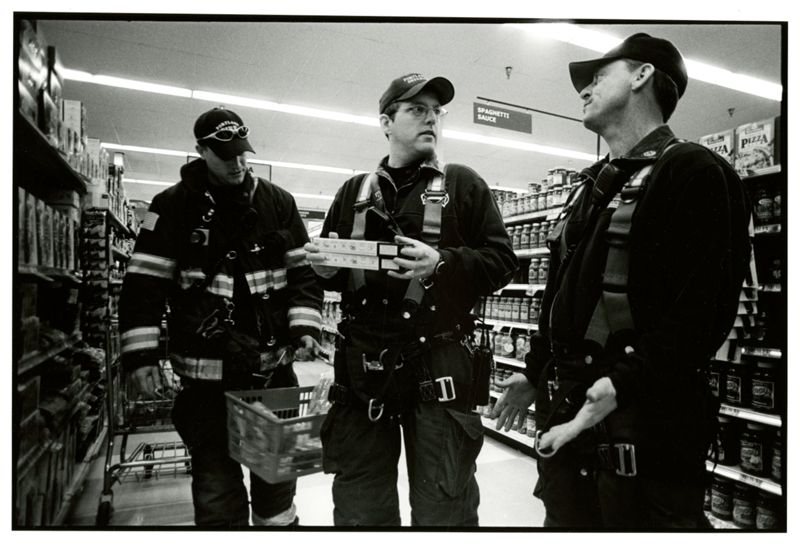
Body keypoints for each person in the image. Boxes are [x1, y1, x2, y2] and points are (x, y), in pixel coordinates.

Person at [492, 33, 751, 528]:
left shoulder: (695, 171)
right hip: (571, 434)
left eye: (598, 76)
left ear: (642, 75)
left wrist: (623, 381)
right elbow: (563, 292)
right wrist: (535, 369)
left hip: (645, 445)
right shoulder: (592, 184)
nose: (583, 90)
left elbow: (704, 309)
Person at [304, 73, 518, 526]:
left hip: (437, 369)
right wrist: (324, 271)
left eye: (437, 112)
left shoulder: (463, 184)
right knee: (360, 506)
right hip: (362, 371)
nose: (432, 120)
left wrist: (441, 262)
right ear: (386, 121)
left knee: (445, 507)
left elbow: (502, 262)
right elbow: (337, 270)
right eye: (417, 110)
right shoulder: (352, 192)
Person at [118, 107, 324, 527]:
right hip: (206, 385)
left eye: (243, 153)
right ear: (201, 151)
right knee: (217, 494)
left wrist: (304, 326)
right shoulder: (171, 206)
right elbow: (143, 286)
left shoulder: (278, 203)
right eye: (225, 155)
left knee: (278, 490)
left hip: (272, 378)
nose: (238, 163)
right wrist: (140, 359)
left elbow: (303, 272)